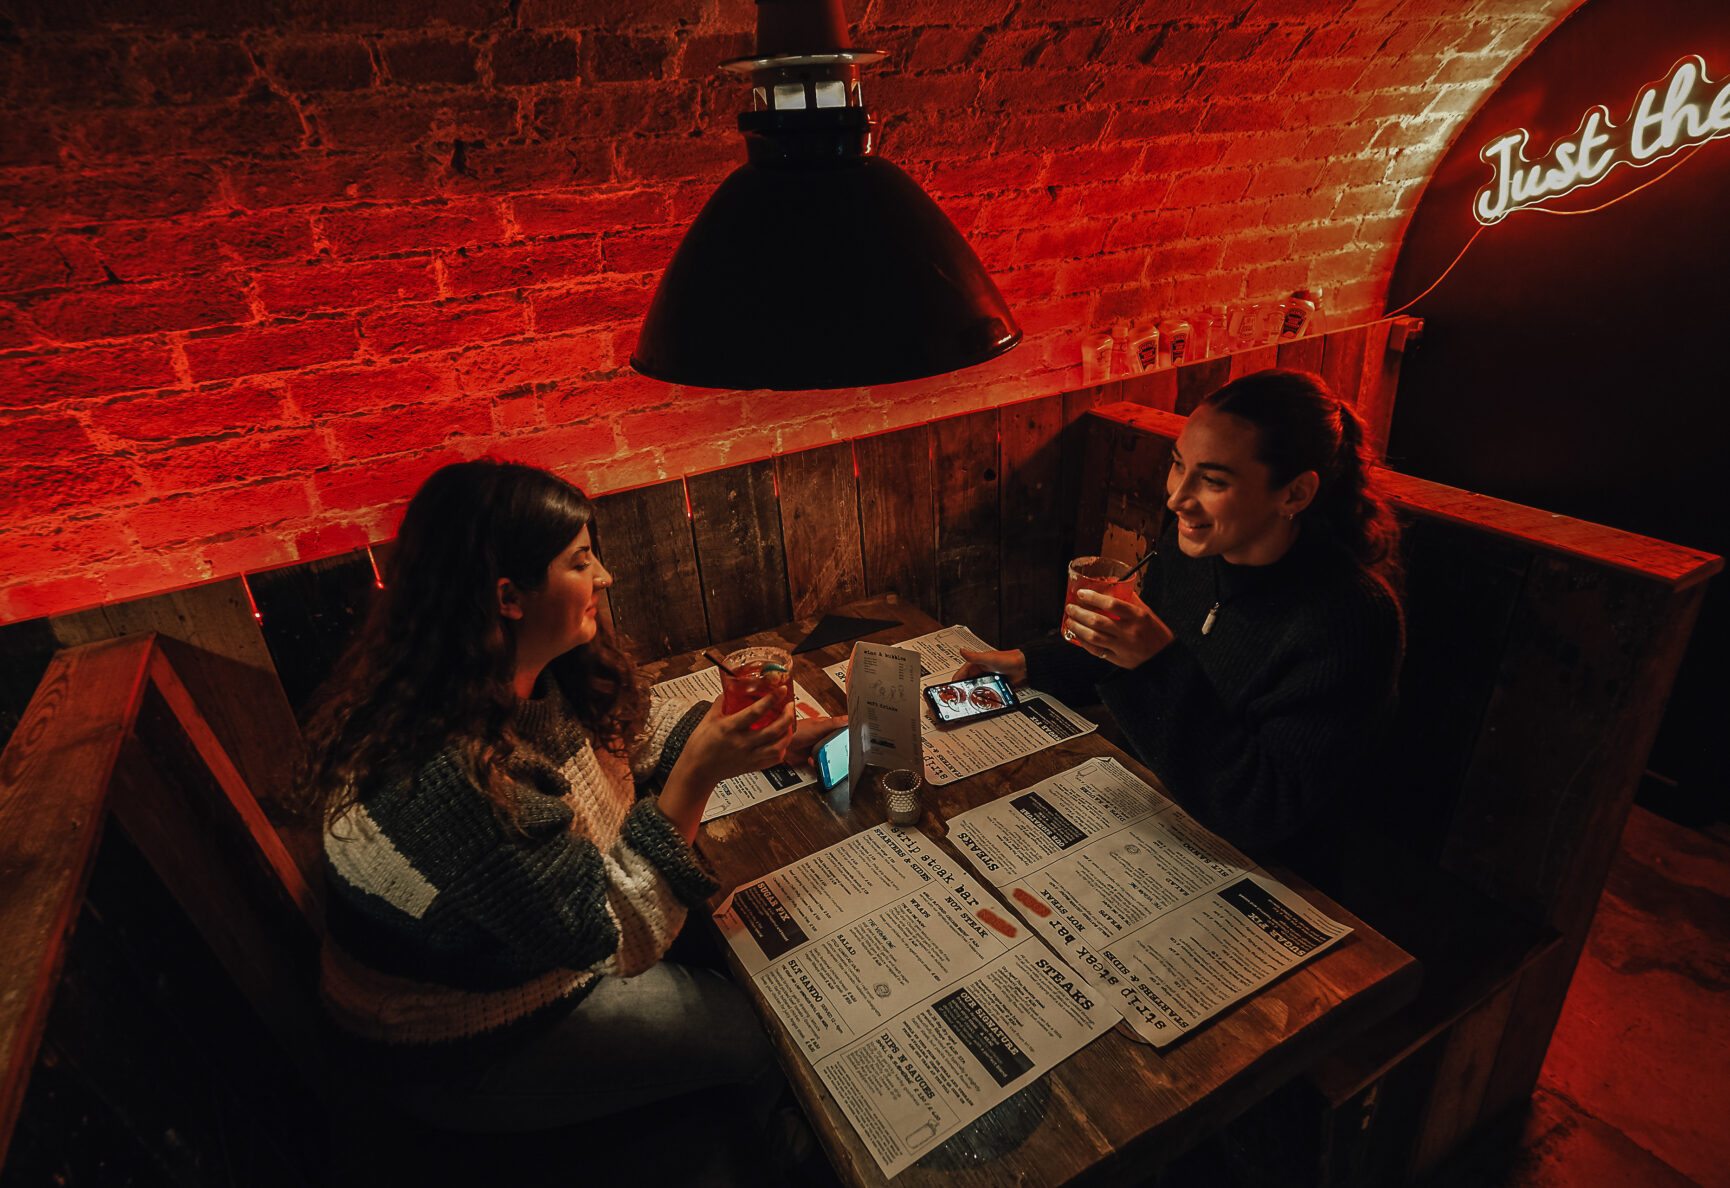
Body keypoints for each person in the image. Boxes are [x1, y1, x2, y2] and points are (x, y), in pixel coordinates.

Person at [296, 458, 842, 1174]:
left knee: (735, 959)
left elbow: (634, 734)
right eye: (582, 561)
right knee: (748, 1033)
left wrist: (757, 740)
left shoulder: (527, 674)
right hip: (459, 1041)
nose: (606, 577)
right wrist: (703, 769)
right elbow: (614, 934)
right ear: (508, 596)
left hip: (534, 949)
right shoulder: (443, 776)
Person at [958, 369, 1404, 873]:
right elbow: (1131, 651)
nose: (1176, 497)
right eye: (1177, 465)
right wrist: (1027, 662)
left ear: (1295, 494)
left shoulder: (1350, 618)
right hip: (1148, 805)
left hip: (1260, 867)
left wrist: (1155, 663)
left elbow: (1266, 810)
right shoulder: (1192, 547)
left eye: (1212, 480)